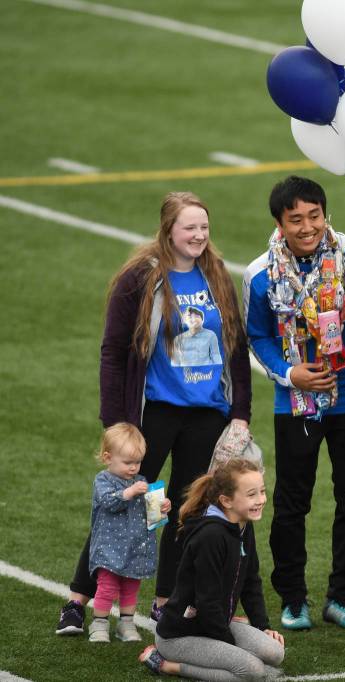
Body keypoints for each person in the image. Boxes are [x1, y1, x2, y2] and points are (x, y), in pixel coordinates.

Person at [57, 191, 252, 636]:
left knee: (182, 514)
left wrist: (240, 411)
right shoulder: (139, 278)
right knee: (125, 508)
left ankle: (167, 602)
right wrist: (116, 421)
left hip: (207, 415)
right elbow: (112, 351)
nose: (199, 235)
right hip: (153, 415)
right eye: (189, 228)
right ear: (168, 231)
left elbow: (236, 349)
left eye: (204, 227)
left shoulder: (216, 275)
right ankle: (76, 600)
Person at [244, 176, 345, 632]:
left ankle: (340, 598)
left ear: (325, 214)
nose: (307, 227)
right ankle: (293, 599)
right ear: (279, 222)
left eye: (314, 216)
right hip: (297, 403)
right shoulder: (259, 273)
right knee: (293, 502)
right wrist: (292, 374)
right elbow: (259, 336)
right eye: (296, 219)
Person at [139, 459, 286, 680]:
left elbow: (250, 580)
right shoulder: (211, 537)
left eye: (262, 492)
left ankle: (231, 650)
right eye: (252, 494)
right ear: (226, 500)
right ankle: (164, 663)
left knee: (275, 652)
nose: (261, 500)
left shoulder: (243, 525)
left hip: (216, 624)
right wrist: (230, 645)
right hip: (180, 635)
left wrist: (262, 626)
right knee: (252, 671)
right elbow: (207, 602)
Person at [86, 423, 169, 643]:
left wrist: (160, 507)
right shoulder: (103, 480)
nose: (134, 467)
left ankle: (126, 623)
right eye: (128, 462)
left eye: (138, 462)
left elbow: (153, 517)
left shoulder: (141, 481)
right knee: (107, 586)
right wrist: (129, 492)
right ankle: (99, 623)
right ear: (108, 457)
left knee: (131, 587)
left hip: (136, 546)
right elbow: (108, 502)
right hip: (109, 547)